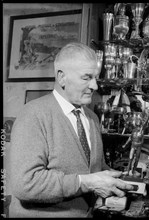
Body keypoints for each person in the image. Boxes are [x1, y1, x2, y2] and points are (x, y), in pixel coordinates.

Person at [9, 42, 134, 218]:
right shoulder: (33, 115)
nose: (95, 86)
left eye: (96, 78)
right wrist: (87, 183)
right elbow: (26, 184)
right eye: (86, 77)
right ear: (62, 77)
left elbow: (91, 169)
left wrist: (114, 178)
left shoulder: (92, 117)